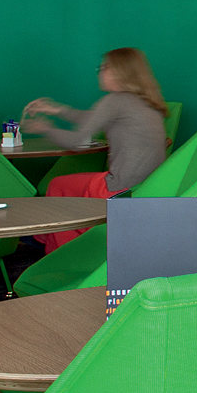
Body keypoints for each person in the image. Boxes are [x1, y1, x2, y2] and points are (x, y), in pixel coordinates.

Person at [22, 47, 168, 249]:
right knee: (67, 186)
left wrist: (44, 128)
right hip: (145, 187)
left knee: (57, 185)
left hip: (119, 188)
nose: (100, 72)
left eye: (104, 67)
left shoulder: (116, 100)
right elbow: (92, 118)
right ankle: (50, 243)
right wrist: (55, 109)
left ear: (119, 72)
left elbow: (76, 142)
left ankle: (56, 249)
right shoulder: (146, 103)